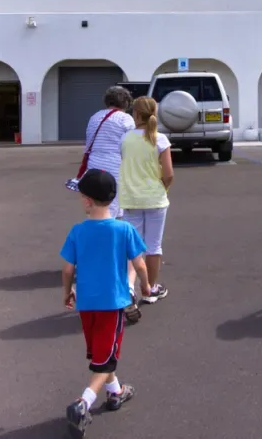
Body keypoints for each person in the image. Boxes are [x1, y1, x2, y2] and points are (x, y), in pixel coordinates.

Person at [61, 169, 151, 438]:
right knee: (106, 360)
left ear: (87, 201)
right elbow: (139, 264)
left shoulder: (77, 231)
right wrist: (145, 286)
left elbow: (67, 270)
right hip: (112, 305)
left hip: (86, 304)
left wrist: (67, 292)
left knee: (101, 354)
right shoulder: (124, 229)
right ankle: (83, 403)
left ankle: (117, 393)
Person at [119, 96, 174, 310]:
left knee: (132, 246)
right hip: (155, 198)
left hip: (131, 198)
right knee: (154, 246)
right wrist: (163, 188)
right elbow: (168, 174)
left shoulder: (125, 139)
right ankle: (150, 289)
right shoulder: (160, 139)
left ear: (135, 114)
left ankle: (129, 287)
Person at [82, 86, 136, 219]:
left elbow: (88, 143)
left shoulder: (94, 117)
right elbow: (131, 146)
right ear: (125, 102)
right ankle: (110, 237)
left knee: (96, 205)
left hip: (93, 166)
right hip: (115, 167)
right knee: (113, 207)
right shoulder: (125, 119)